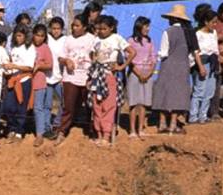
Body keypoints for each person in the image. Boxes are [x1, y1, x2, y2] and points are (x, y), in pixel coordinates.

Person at [153, 4, 198, 134]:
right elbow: (192, 54)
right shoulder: (189, 33)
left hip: (168, 65)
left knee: (164, 93)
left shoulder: (168, 32)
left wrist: (155, 58)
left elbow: (164, 52)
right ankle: (173, 124)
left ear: (173, 19)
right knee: (178, 94)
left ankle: (162, 124)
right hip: (183, 66)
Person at [90, 15, 133, 145]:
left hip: (110, 75)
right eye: (99, 29)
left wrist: (121, 66)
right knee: (97, 105)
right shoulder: (96, 39)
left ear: (111, 28)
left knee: (109, 105)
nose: (101, 31)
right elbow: (92, 55)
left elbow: (132, 52)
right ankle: (98, 133)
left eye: (104, 29)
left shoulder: (117, 38)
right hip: (96, 76)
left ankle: (106, 135)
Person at [58, 15, 97, 142]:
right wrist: (66, 61)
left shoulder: (92, 39)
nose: (74, 28)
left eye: (77, 25)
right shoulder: (68, 39)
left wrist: (92, 74)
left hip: (87, 77)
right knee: (68, 106)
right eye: (73, 25)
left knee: (90, 105)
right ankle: (63, 131)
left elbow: (96, 56)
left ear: (84, 27)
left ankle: (91, 129)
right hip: (70, 77)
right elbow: (60, 57)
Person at [1, 26, 36, 140]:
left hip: (24, 79)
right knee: (9, 106)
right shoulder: (13, 47)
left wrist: (15, 66)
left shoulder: (30, 48)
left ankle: (19, 131)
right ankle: (12, 127)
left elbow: (30, 67)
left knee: (21, 106)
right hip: (12, 79)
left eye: (20, 36)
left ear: (25, 36)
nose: (18, 38)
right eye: (16, 36)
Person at [189, 5, 218, 126]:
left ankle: (203, 115)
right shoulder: (197, 34)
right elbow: (196, 52)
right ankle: (193, 116)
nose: (215, 25)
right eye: (213, 22)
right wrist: (200, 66)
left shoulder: (214, 33)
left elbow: (215, 49)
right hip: (202, 62)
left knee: (209, 91)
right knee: (199, 91)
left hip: (212, 63)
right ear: (206, 22)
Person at [126, 17, 156, 139]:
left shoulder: (149, 41)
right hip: (134, 74)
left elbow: (153, 58)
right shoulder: (131, 41)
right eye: (146, 26)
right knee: (133, 103)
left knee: (143, 103)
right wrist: (139, 74)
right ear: (139, 26)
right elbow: (129, 60)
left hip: (147, 74)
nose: (148, 29)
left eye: (148, 26)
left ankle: (141, 129)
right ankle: (132, 130)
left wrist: (149, 73)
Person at [30, 24, 56, 146]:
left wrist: (39, 66)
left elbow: (50, 65)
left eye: (42, 36)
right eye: (37, 35)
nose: (39, 38)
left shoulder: (45, 48)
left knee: (38, 107)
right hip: (26, 79)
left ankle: (39, 134)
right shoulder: (28, 45)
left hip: (39, 80)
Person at [44, 17, 67, 133]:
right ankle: (46, 127)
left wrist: (64, 75)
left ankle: (57, 123)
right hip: (47, 77)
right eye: (53, 28)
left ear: (62, 29)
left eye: (58, 28)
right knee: (47, 104)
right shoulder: (46, 39)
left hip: (60, 77)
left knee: (64, 101)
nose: (56, 31)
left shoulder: (65, 40)